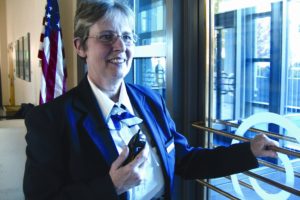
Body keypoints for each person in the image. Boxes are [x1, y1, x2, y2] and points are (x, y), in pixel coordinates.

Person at [23, 1, 278, 199]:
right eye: (106, 37)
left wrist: (248, 151)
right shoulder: (49, 120)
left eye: (127, 37)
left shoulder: (150, 100)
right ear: (80, 47)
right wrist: (110, 187)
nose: (121, 47)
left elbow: (185, 160)